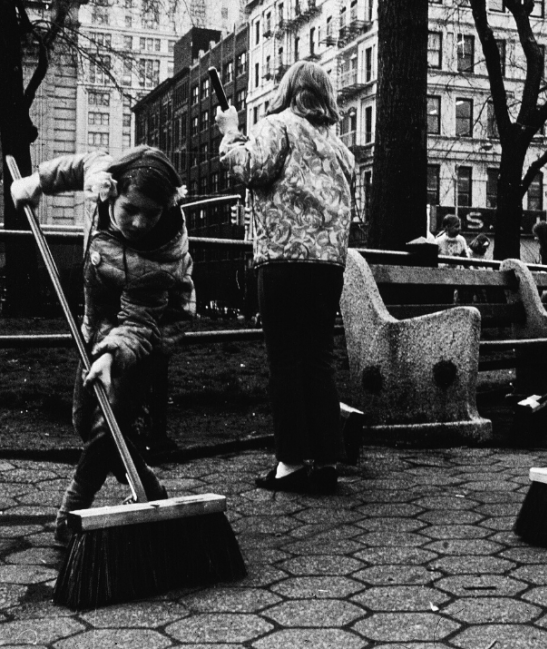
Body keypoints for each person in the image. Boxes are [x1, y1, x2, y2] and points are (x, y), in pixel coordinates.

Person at [11, 145, 194, 545]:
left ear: (167, 207)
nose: (140, 222)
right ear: (111, 192)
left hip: (148, 333)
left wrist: (111, 354)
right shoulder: (106, 175)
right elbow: (80, 166)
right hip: (98, 325)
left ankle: (70, 513)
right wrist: (36, 183)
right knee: (84, 419)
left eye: (152, 212)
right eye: (131, 209)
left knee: (108, 426)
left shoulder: (158, 258)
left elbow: (139, 322)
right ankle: (150, 490)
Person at [217, 60, 354, 495]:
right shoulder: (340, 148)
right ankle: (328, 459)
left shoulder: (277, 126)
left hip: (282, 259)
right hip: (328, 265)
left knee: (285, 361)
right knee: (318, 358)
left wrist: (231, 130)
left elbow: (247, 168)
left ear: (289, 90)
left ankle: (291, 463)